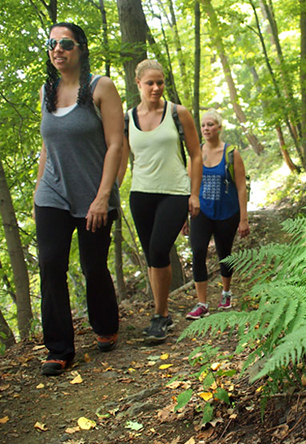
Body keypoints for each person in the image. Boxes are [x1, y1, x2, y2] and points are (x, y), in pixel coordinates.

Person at [34, 23, 124, 376]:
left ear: (81, 48)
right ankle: (59, 349)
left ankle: (105, 326)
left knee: (93, 266)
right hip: (52, 193)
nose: (58, 49)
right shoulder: (47, 90)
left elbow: (116, 143)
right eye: (52, 43)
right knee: (51, 264)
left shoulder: (100, 87)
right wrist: (38, 189)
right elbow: (46, 147)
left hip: (93, 192)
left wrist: (103, 197)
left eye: (66, 44)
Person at [117, 59, 202, 343]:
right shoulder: (127, 118)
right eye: (150, 83)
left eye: (160, 82)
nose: (156, 88)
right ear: (138, 84)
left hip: (174, 191)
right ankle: (160, 313)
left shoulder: (178, 113)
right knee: (153, 258)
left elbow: (196, 154)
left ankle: (160, 314)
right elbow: (120, 158)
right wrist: (110, 191)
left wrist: (194, 193)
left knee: (158, 250)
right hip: (141, 194)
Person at [186, 109, 250, 320]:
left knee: (225, 254)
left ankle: (226, 292)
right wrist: (182, 217)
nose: (206, 128)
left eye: (211, 124)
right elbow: (188, 186)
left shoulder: (231, 154)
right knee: (197, 252)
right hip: (201, 212)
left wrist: (243, 218)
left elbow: (241, 186)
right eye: (203, 125)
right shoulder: (196, 153)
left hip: (227, 212)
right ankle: (202, 303)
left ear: (219, 128)